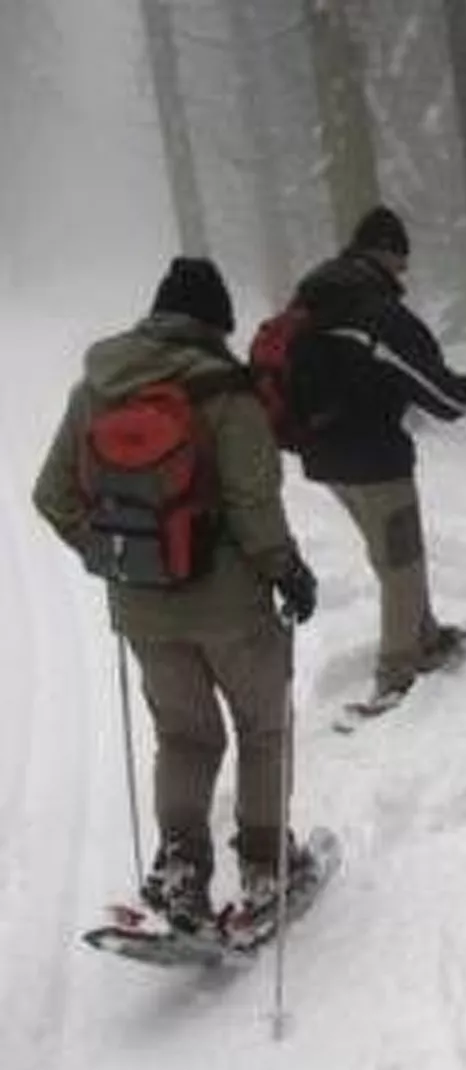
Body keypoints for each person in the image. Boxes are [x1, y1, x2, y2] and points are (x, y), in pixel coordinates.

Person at [33, 258, 319, 933]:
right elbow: (253, 504)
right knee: (263, 728)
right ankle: (266, 866)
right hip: (230, 605)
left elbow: (52, 495)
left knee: (184, 736)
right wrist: (288, 570)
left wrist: (116, 556)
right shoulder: (227, 393)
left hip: (141, 605)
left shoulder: (97, 388)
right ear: (216, 324)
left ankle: (181, 869)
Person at [287, 205, 466, 707]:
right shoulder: (376, 312)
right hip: (373, 458)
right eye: (402, 259)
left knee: (392, 554)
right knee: (402, 562)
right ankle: (396, 675)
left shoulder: (316, 298)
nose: (404, 271)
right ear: (386, 252)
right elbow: (444, 399)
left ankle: (424, 637)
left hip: (324, 455)